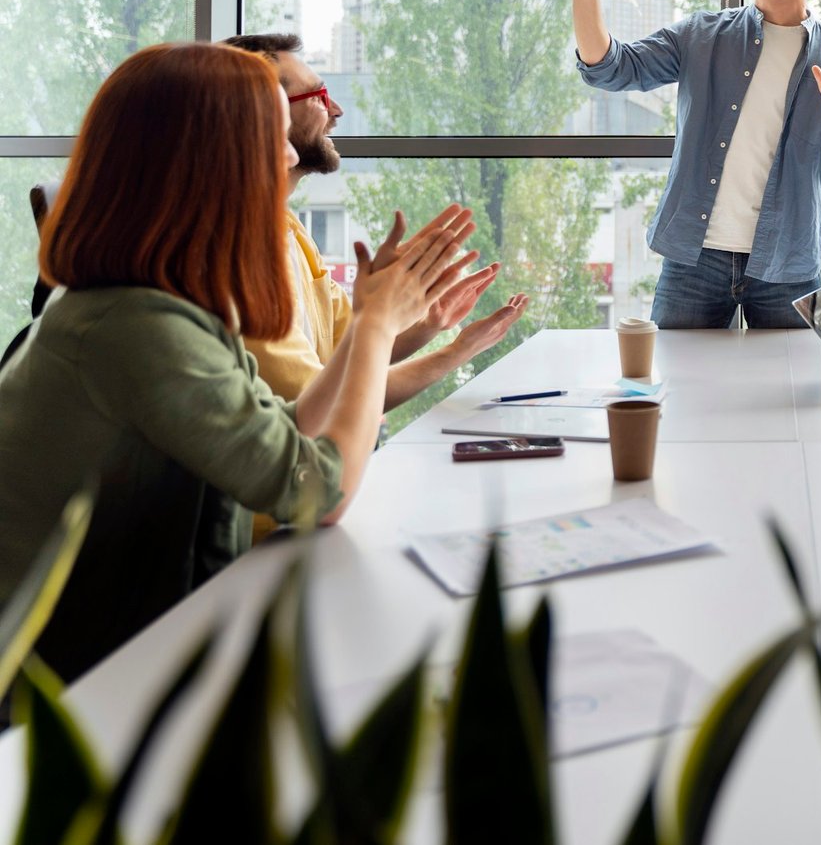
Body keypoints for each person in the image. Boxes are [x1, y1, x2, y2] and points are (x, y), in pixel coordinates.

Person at [0, 42, 473, 685]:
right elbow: (317, 492)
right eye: (275, 138)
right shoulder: (137, 325)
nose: (287, 157)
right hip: (75, 688)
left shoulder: (169, 300)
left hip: (140, 642)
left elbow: (288, 424)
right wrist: (375, 327)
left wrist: (370, 322)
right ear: (218, 161)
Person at [554, 0, 821, 329]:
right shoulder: (702, 35)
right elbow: (609, 68)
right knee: (682, 389)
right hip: (694, 261)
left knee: (792, 393)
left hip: (789, 267)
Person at [222, 34, 528, 407]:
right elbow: (321, 400)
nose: (335, 110)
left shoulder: (290, 229)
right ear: (266, 117)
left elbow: (346, 350)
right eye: (317, 97)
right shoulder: (236, 251)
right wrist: (457, 353)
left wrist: (428, 321)